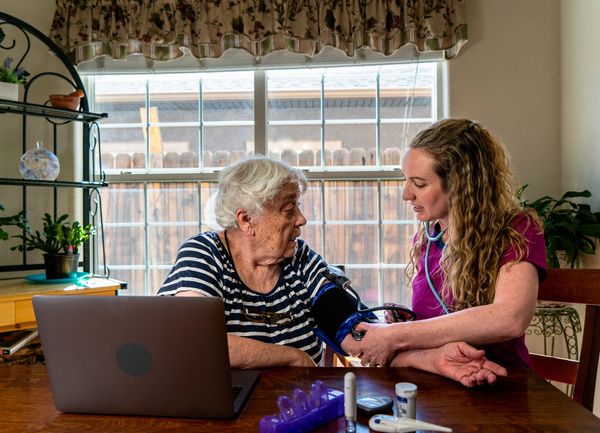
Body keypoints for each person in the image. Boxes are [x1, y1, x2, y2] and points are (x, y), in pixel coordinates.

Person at [158, 156, 506, 386]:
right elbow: (193, 340)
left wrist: (434, 358)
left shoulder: (302, 260)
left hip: (294, 406)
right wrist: (290, 357)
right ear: (246, 219)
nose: (301, 220)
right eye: (288, 209)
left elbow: (356, 335)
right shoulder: (204, 253)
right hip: (221, 412)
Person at [353, 119, 547, 368]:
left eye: (419, 183)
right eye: (406, 180)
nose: (406, 194)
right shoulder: (426, 239)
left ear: (459, 185)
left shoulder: (517, 230)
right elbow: (436, 324)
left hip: (501, 387)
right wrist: (408, 323)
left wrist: (397, 336)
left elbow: (510, 318)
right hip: (436, 382)